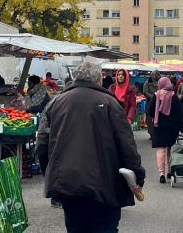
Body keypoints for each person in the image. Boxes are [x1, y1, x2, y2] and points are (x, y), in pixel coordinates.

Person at [36, 62, 146, 233]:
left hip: (68, 183)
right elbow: (127, 145)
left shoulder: (56, 103)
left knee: (75, 228)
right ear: (98, 79)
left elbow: (42, 143)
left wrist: (50, 174)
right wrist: (137, 175)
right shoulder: (110, 103)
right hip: (105, 184)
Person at [147, 77, 183, 183]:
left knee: (160, 149)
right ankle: (170, 171)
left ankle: (161, 174)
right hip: (172, 127)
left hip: (158, 126)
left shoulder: (156, 95)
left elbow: (150, 111)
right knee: (170, 149)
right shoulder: (174, 97)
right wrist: (182, 130)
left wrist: (156, 116)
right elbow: (179, 115)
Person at [143, 72, 160, 138]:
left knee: (157, 119)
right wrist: (154, 97)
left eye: (158, 75)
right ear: (152, 75)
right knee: (149, 120)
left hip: (158, 104)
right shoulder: (147, 83)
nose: (158, 76)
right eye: (157, 75)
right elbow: (145, 92)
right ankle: (151, 133)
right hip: (150, 103)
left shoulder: (159, 83)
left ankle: (156, 133)